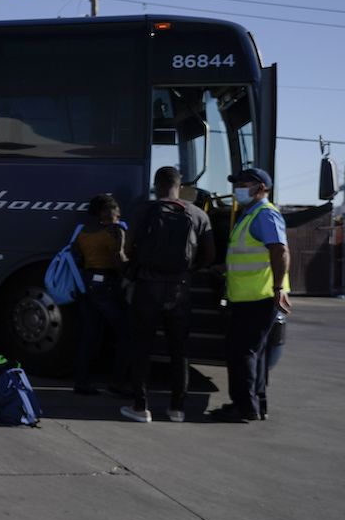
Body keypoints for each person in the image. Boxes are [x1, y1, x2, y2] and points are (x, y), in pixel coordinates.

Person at [120, 167, 215, 423]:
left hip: (147, 287)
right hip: (180, 289)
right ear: (179, 186)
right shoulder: (198, 214)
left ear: (156, 186)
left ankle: (140, 407)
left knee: (141, 347)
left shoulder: (143, 210)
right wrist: (192, 269)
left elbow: (128, 247)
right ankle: (177, 409)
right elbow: (210, 254)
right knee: (179, 350)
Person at [209, 167, 291, 423]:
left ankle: (243, 407)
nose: (238, 190)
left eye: (244, 185)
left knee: (241, 352)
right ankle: (256, 404)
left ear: (261, 188)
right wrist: (225, 268)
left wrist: (278, 289)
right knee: (255, 353)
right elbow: (250, 255)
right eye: (237, 185)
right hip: (250, 296)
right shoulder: (250, 214)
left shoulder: (265, 214)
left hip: (258, 297)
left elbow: (280, 251)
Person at [71, 194, 130, 396]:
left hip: (86, 283)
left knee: (89, 336)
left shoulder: (82, 232)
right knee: (125, 333)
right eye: (116, 212)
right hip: (107, 285)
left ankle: (81, 382)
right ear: (105, 212)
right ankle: (117, 382)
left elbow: (78, 255)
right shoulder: (111, 233)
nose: (119, 216)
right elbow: (118, 262)